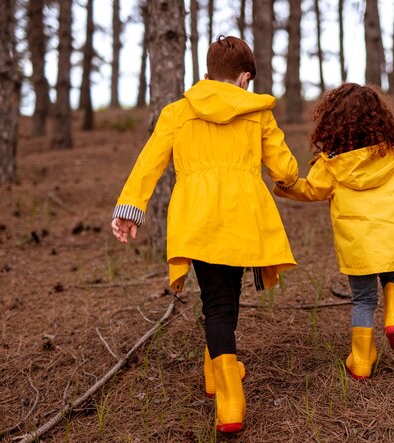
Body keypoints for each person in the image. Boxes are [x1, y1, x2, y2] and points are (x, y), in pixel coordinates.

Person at [111, 36, 299, 433]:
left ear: (208, 72)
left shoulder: (177, 112)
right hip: (243, 216)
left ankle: (218, 374)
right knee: (226, 299)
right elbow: (283, 171)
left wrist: (130, 210)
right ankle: (231, 400)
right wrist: (295, 181)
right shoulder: (259, 113)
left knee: (216, 299)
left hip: (195, 217)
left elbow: (150, 162)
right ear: (245, 78)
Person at [274, 83, 394, 380]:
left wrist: (285, 189)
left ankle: (361, 360)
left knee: (363, 300)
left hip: (356, 244)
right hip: (392, 233)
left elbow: (312, 190)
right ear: (381, 118)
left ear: (333, 121)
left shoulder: (331, 164)